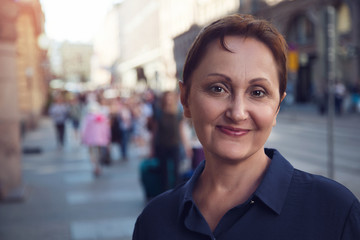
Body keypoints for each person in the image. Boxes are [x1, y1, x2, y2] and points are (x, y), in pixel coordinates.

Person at [133, 14, 360, 240]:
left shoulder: (335, 213)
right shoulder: (154, 222)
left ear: (277, 108)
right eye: (218, 89)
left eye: (258, 92)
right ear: (185, 99)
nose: (238, 112)